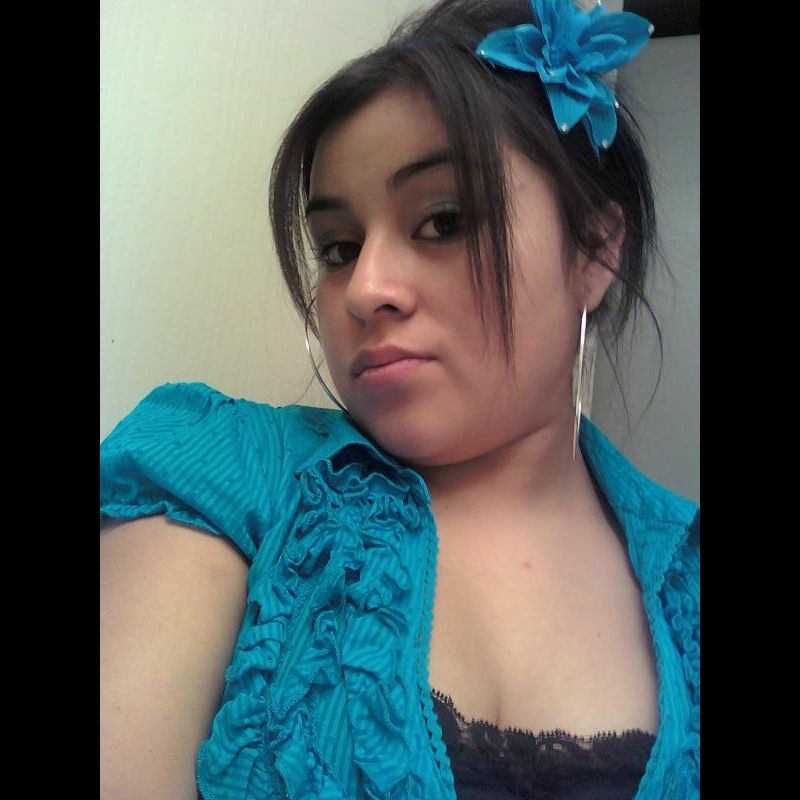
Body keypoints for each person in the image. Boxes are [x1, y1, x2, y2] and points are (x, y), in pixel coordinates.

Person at [100, 1, 699, 798]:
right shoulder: (218, 479)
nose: (364, 289)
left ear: (593, 250)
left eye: (442, 222)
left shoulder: (688, 579)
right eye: (339, 248)